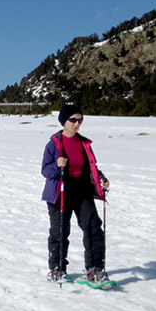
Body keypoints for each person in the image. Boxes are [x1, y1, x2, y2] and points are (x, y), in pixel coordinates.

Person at [41, 104, 110, 284]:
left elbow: (91, 167)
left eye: (80, 120)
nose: (77, 124)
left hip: (82, 190)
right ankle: (57, 269)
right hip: (60, 192)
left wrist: (100, 178)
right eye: (73, 120)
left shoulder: (83, 143)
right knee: (60, 231)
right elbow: (45, 170)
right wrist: (57, 166)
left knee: (93, 227)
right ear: (64, 121)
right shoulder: (54, 144)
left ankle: (95, 269)